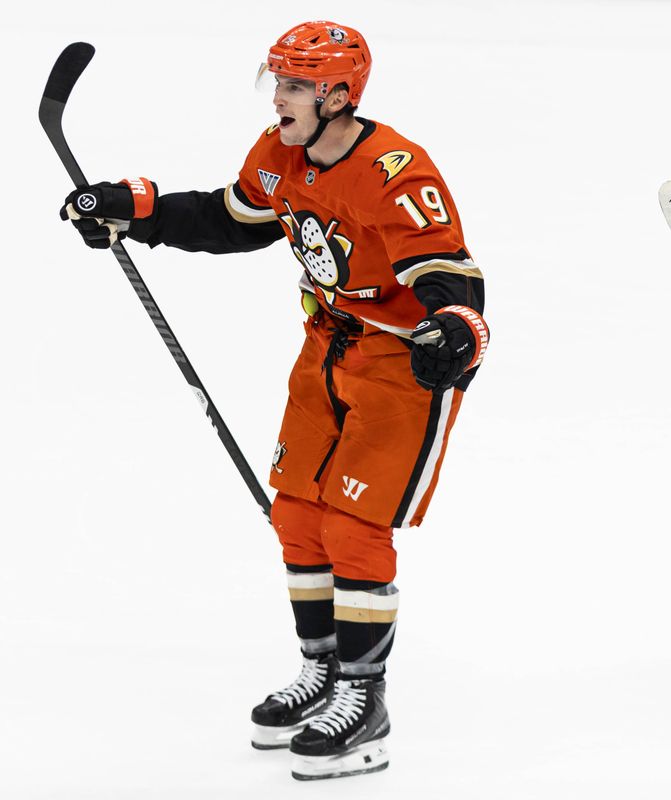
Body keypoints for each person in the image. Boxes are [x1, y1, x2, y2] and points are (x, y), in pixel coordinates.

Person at [59, 21, 488, 781]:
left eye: (293, 84)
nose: (278, 97)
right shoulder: (279, 153)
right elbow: (234, 219)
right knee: (295, 510)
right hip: (325, 348)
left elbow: (447, 273)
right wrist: (132, 207)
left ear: (337, 94)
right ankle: (322, 672)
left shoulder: (396, 171)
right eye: (278, 80)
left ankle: (365, 698)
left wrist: (453, 327)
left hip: (400, 365)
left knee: (356, 529)